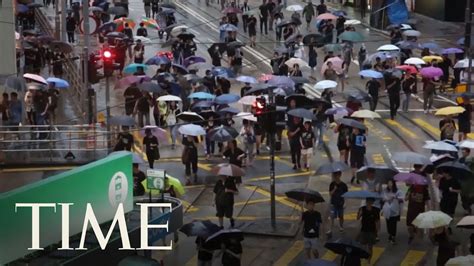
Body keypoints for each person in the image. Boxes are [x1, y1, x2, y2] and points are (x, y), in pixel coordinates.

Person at [357, 197, 380, 264]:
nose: (369, 203)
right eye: (368, 201)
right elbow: (358, 218)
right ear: (366, 201)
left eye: (371, 201)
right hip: (363, 230)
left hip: (372, 231)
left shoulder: (375, 210)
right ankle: (363, 257)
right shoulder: (362, 208)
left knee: (370, 247)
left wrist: (377, 231)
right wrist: (360, 213)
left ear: (372, 202)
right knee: (363, 246)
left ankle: (369, 260)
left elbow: (377, 221)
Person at [382, 179, 403, 244]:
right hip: (387, 209)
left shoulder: (398, 191)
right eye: (388, 183)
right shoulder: (385, 191)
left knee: (393, 223)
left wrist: (395, 197)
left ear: (393, 184)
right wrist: (386, 199)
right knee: (388, 223)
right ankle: (390, 234)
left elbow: (401, 199)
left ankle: (393, 236)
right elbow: (383, 198)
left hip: (394, 210)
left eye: (391, 183)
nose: (389, 184)